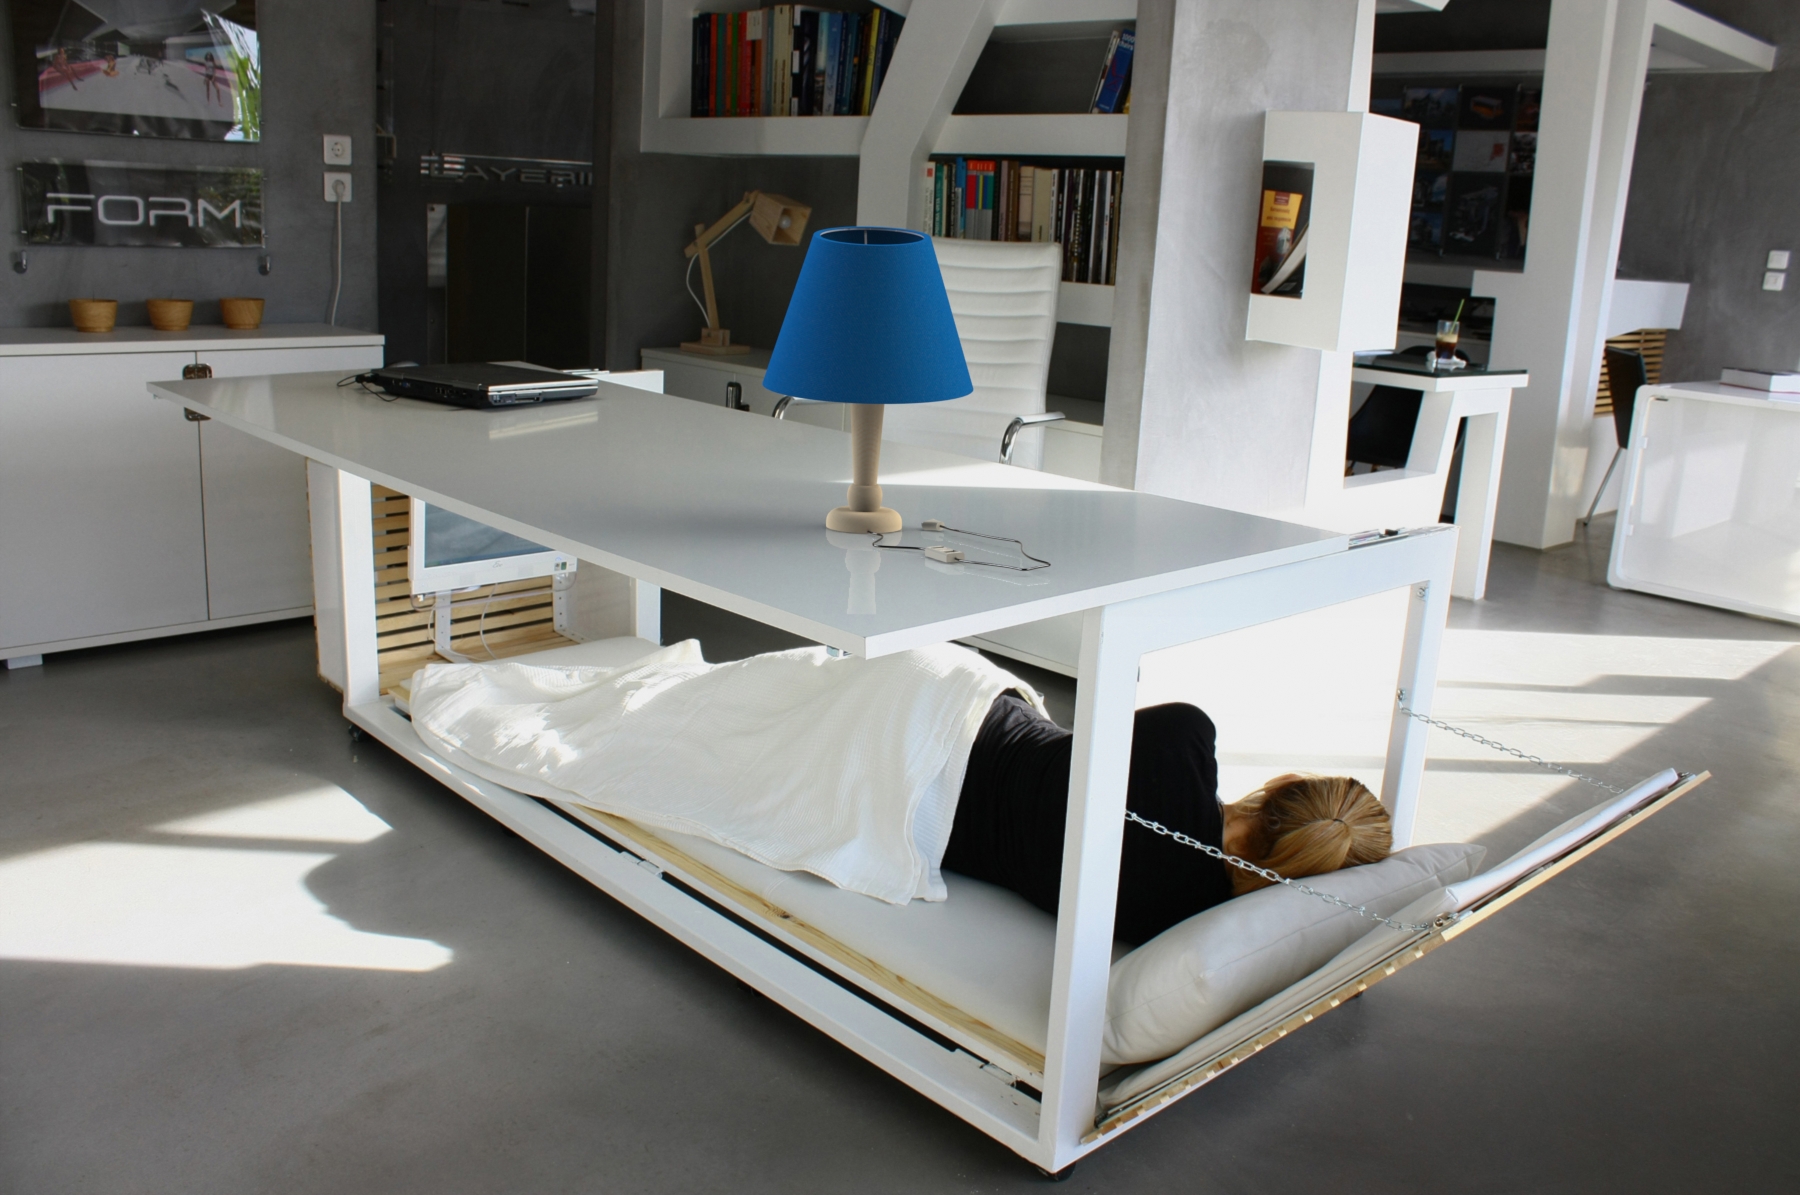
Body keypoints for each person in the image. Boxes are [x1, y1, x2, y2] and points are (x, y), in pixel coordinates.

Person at [942, 693, 1393, 944]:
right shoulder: (1188, 920)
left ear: (1284, 783)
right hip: (941, 838)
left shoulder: (1183, 736)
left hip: (957, 723)